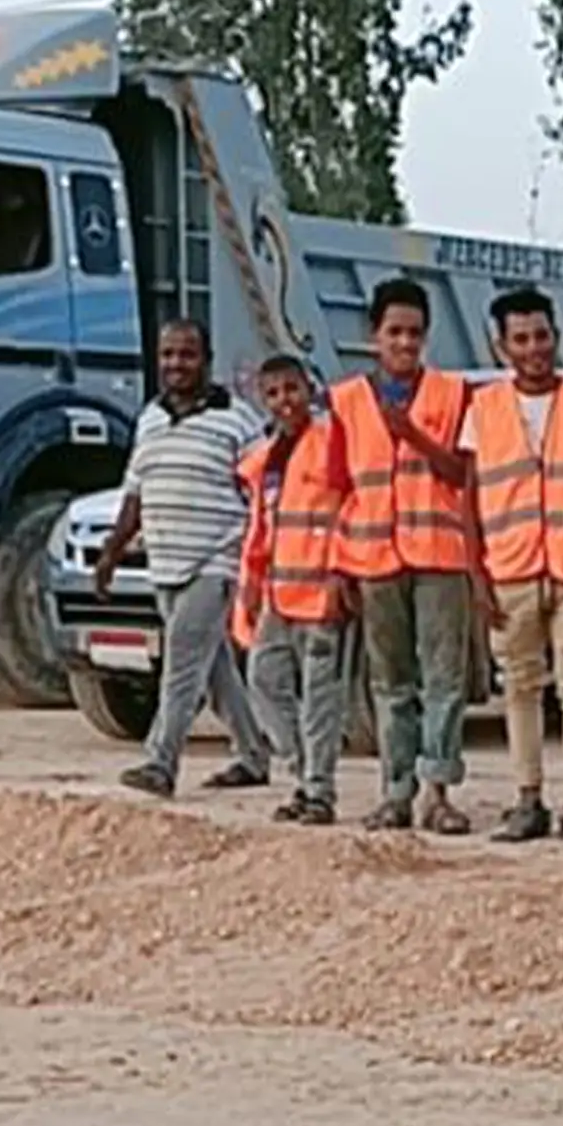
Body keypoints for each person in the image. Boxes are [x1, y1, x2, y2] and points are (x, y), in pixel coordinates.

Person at [92, 319, 274, 798]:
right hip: (165, 562)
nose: (176, 364)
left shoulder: (238, 419)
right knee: (213, 670)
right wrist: (111, 552)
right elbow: (135, 492)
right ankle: (253, 755)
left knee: (181, 666)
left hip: (214, 561)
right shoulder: (150, 419)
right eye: (168, 354)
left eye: (187, 355)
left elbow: (264, 489)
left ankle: (161, 762)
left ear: (206, 360)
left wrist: (259, 555)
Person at [331, 279, 482, 835]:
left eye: (414, 333)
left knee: (443, 679)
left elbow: (463, 473)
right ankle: (396, 792)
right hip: (374, 557)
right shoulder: (347, 401)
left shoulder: (453, 393)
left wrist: (413, 435)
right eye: (394, 331)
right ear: (373, 334)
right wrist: (338, 565)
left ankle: (437, 792)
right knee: (390, 681)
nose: (404, 343)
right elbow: (337, 488)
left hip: (439, 556)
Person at [464, 286, 563, 843]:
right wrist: (477, 575)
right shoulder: (483, 408)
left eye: (542, 336)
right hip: (511, 571)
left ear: (557, 336)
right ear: (501, 347)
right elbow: (468, 495)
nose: (534, 349)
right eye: (521, 339)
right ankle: (528, 800)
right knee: (519, 688)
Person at [237, 355, 354, 824]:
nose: (284, 400)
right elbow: (262, 528)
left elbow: (349, 509)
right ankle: (302, 774)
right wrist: (252, 583)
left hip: (321, 596)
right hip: (278, 596)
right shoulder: (269, 457)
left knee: (320, 699)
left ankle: (319, 791)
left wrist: (341, 572)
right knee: (264, 682)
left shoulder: (331, 442)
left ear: (308, 389)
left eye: (291, 389)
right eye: (273, 393)